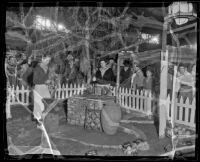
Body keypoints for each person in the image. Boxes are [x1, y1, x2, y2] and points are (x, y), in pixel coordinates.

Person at [31, 54, 52, 122]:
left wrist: (49, 82)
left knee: (48, 102)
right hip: (38, 87)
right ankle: (38, 119)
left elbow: (46, 78)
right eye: (46, 60)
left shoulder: (47, 67)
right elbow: (34, 80)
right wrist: (45, 81)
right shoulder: (37, 68)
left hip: (44, 87)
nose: (48, 62)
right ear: (42, 59)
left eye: (49, 60)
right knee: (38, 103)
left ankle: (43, 117)